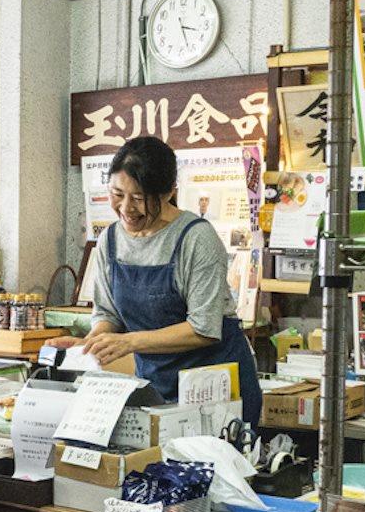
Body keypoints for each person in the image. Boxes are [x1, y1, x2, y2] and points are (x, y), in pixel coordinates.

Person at [52, 137, 262, 424]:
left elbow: (204, 328)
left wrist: (127, 342)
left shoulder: (196, 238)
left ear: (168, 193)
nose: (126, 208)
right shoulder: (110, 241)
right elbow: (108, 313)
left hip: (214, 388)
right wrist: (89, 345)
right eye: (117, 194)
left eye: (139, 198)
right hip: (154, 385)